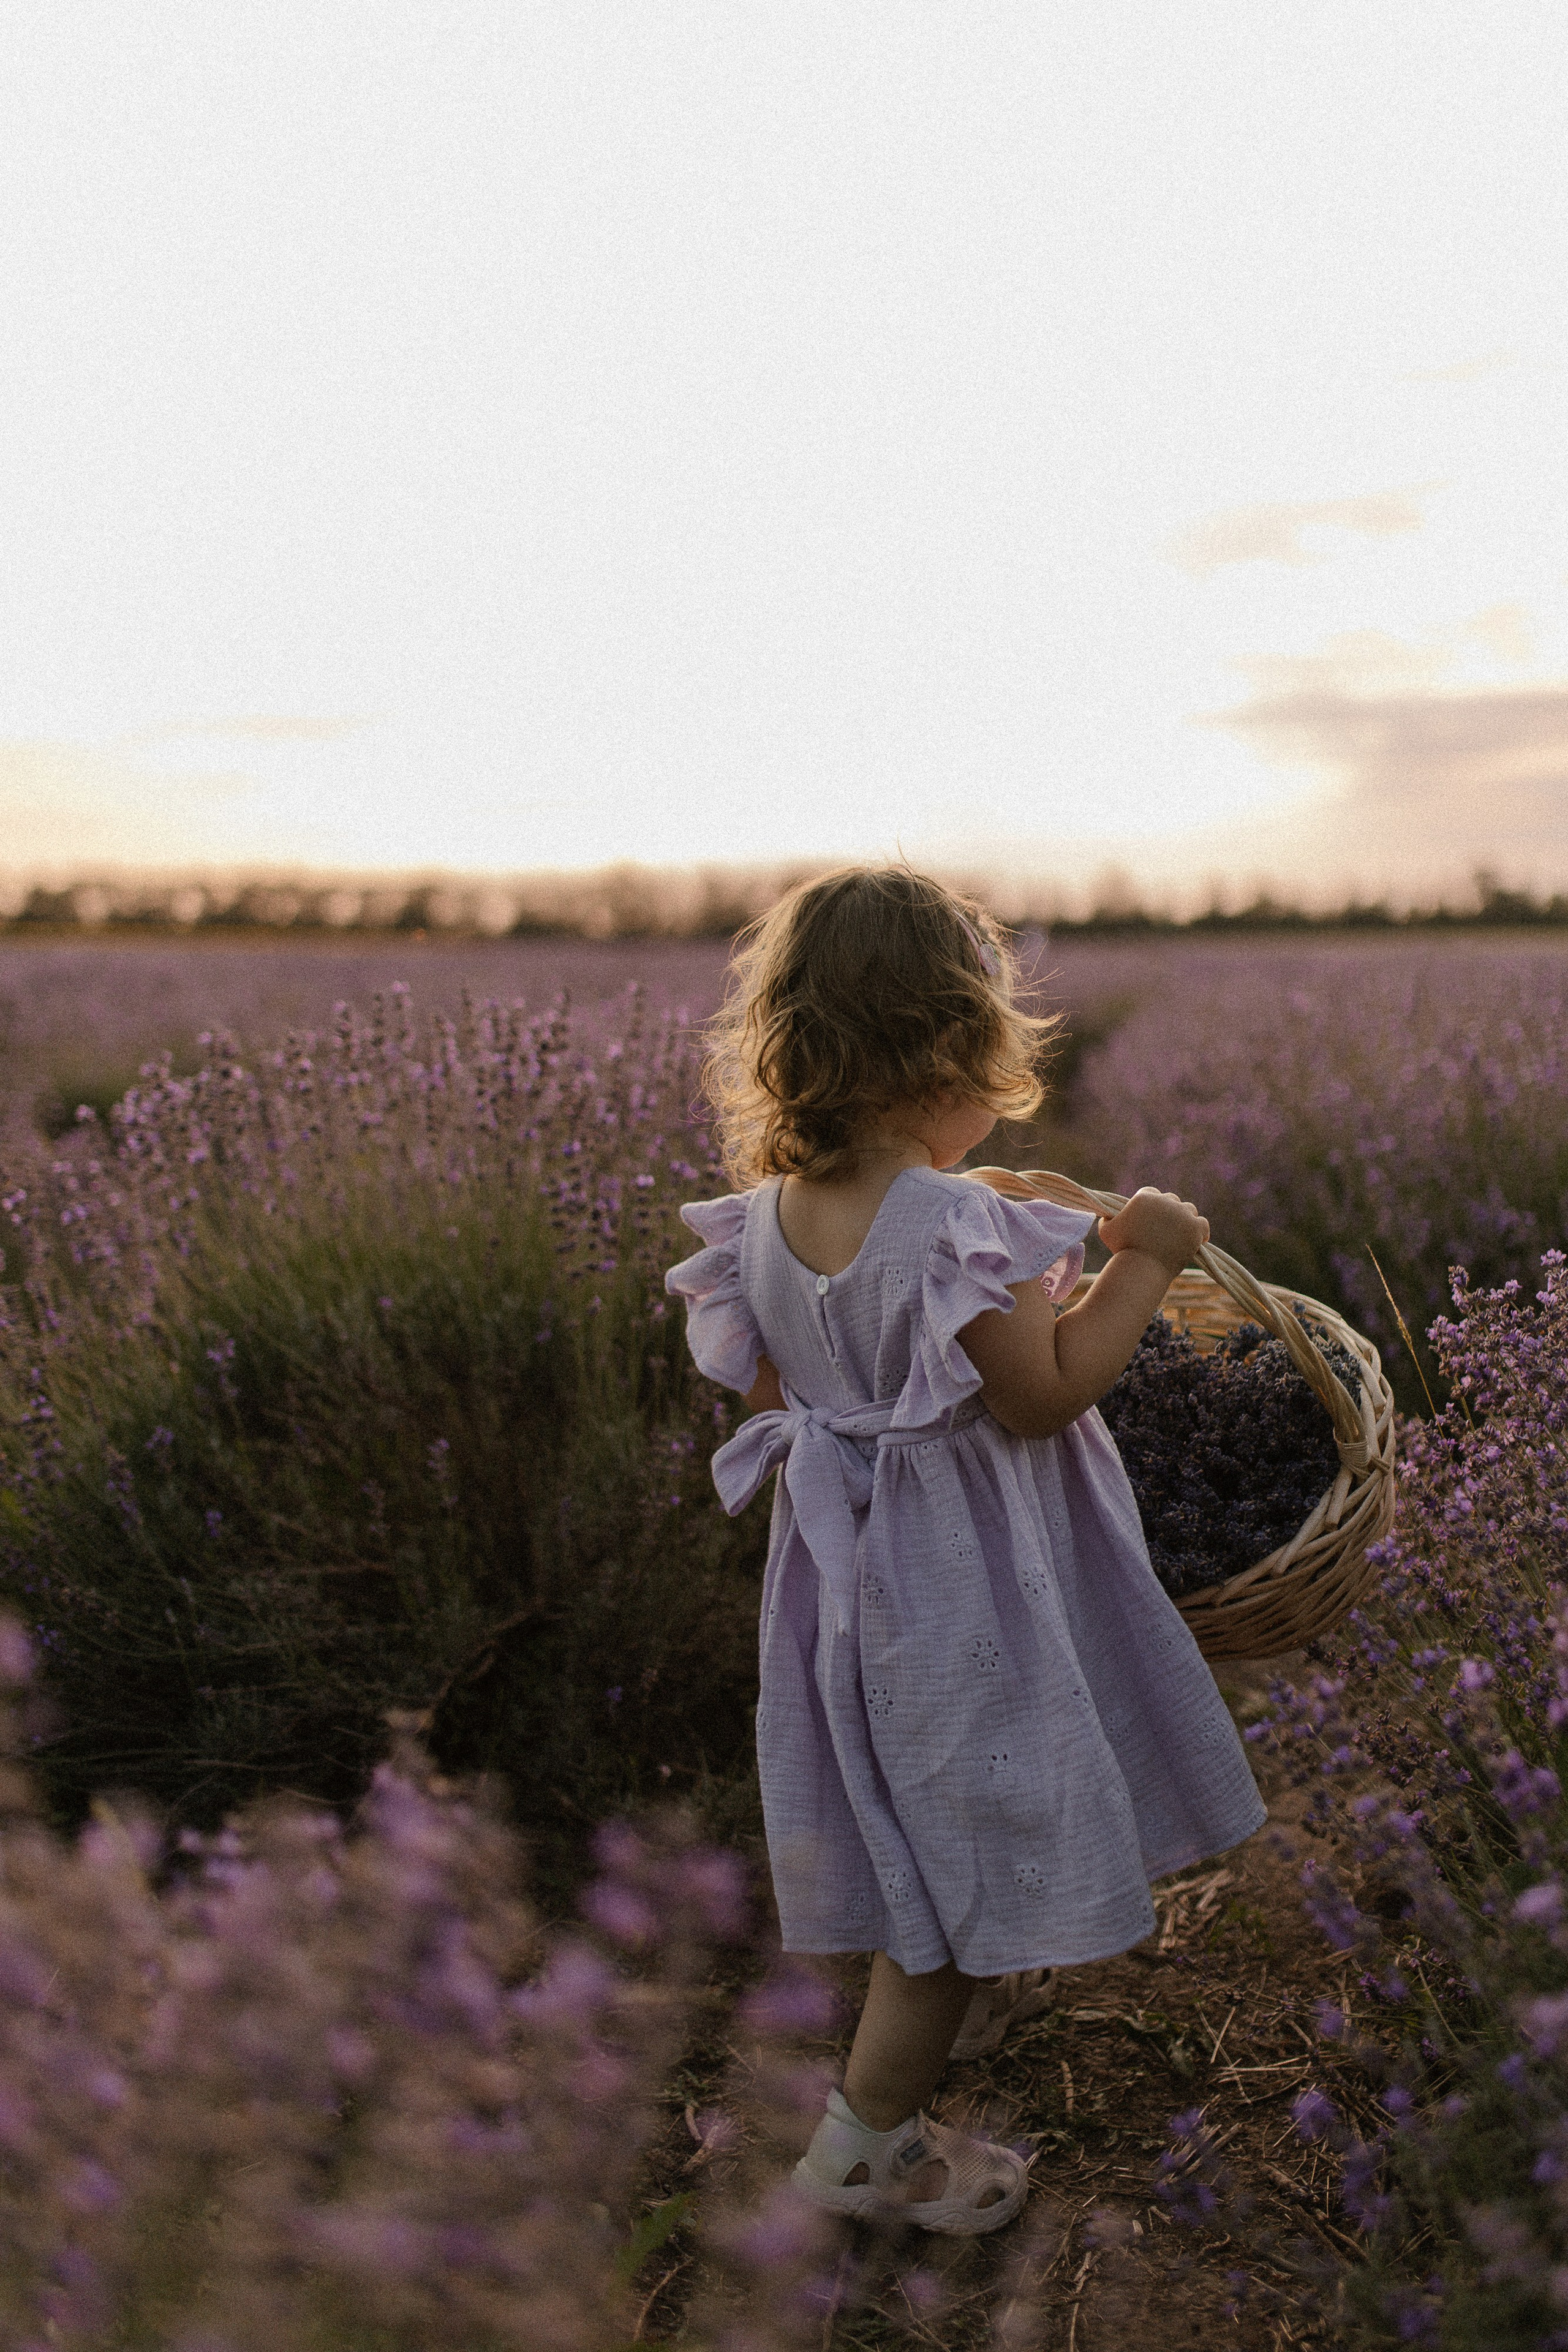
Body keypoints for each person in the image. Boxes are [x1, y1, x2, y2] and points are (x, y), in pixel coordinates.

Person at [665, 867, 1265, 2234]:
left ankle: (924, 2047)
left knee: (921, 1817)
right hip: (962, 1593)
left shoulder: (763, 1223)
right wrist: (1140, 1262)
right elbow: (1045, 1393)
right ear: (952, 1048)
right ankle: (863, 2152)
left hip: (850, 1586)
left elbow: (782, 1400)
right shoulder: (946, 1226)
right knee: (956, 1865)